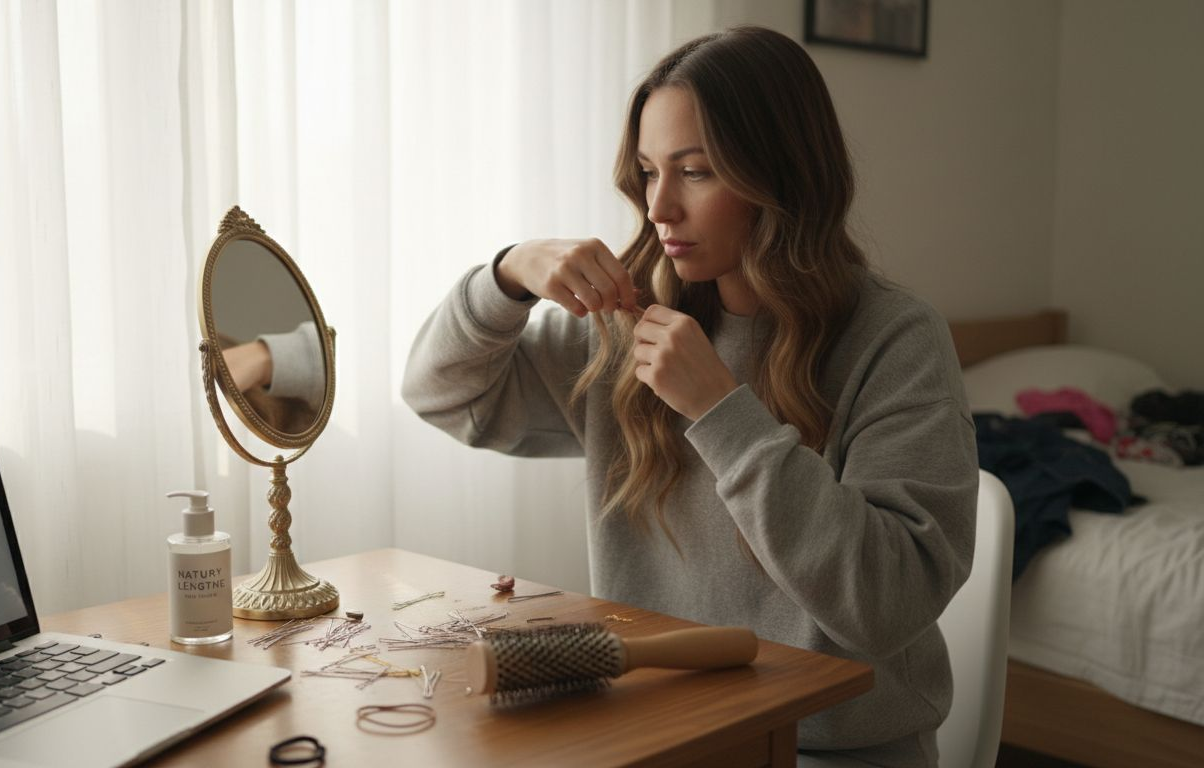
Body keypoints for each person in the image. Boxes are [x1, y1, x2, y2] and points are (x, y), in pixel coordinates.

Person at [401, 25, 977, 768]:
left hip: (831, 747)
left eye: (696, 171)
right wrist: (506, 276)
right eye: (647, 172)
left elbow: (887, 601)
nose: (659, 207)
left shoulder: (895, 340)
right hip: (659, 730)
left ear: (781, 176)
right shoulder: (633, 325)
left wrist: (721, 412)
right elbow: (442, 395)